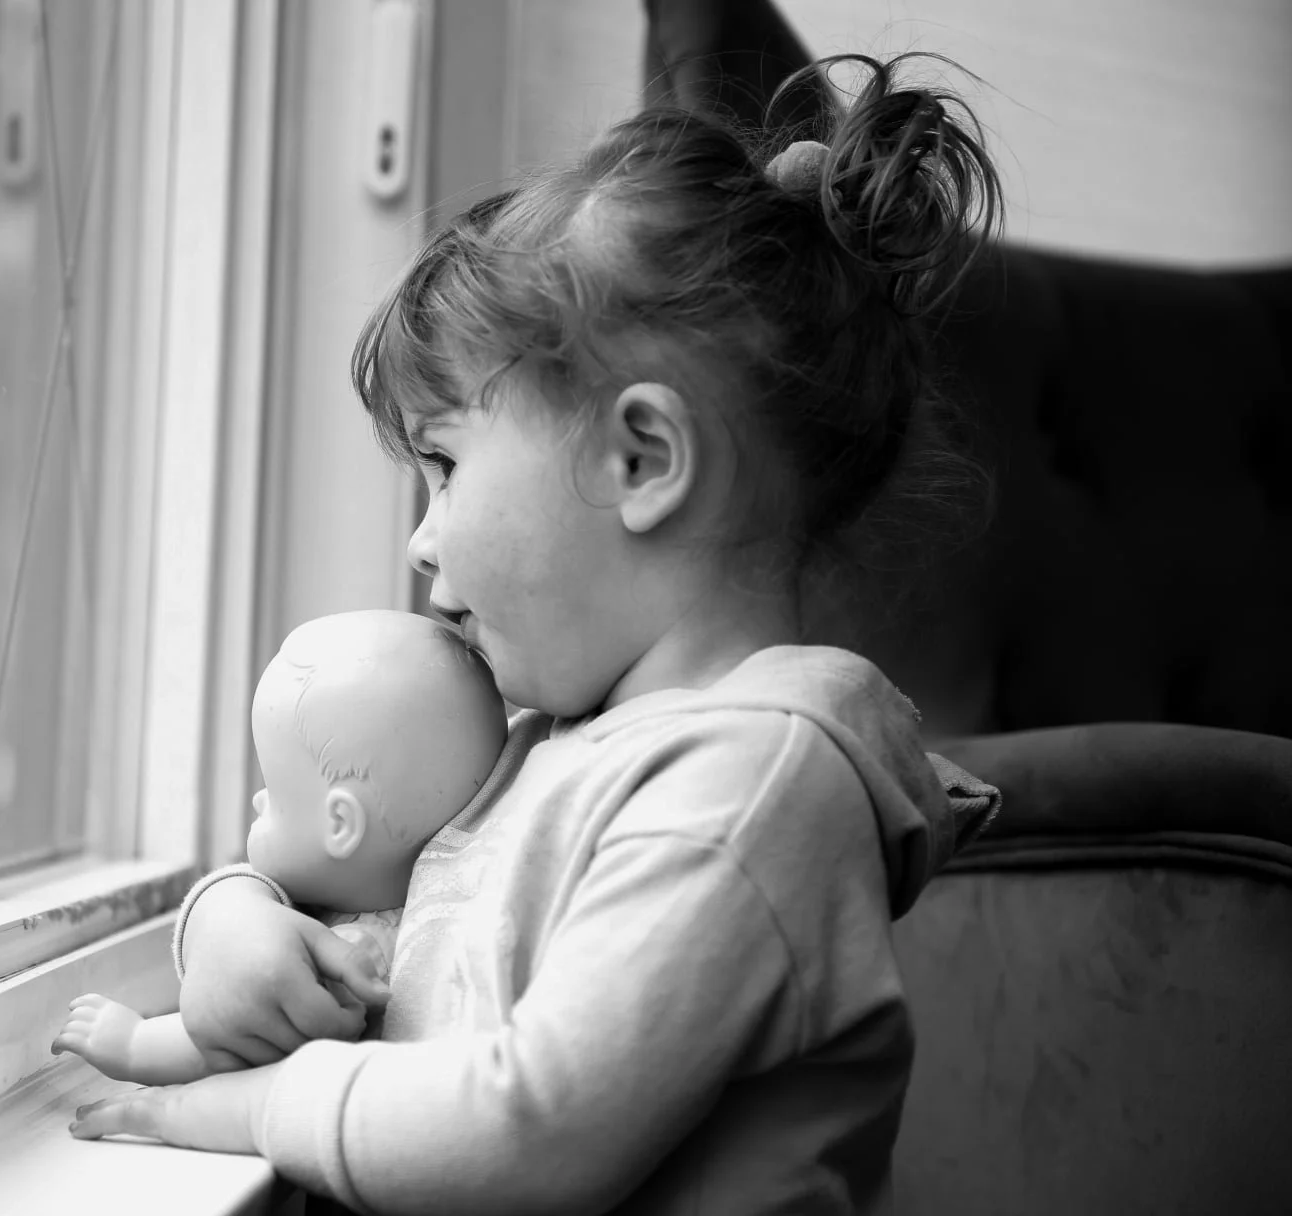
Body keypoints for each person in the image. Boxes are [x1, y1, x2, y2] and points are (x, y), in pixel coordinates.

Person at [69, 53, 1003, 1215]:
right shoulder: (550, 741)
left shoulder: (750, 791)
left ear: (641, 461)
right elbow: (346, 870)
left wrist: (251, 1107)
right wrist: (234, 924)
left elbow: (526, 1133)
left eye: (447, 465)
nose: (421, 539)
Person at [50, 610, 507, 1085]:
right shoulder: (365, 912)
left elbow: (244, 1041)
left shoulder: (352, 955)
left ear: (340, 824)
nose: (258, 799)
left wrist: (134, 1044)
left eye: (274, 790)